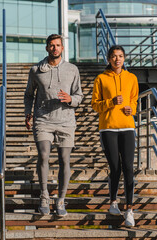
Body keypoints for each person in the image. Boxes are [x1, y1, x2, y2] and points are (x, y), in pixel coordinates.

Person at [24, 34, 83, 217]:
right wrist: (28, 112)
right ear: (47, 48)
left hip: (66, 121)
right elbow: (29, 94)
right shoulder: (36, 70)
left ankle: (61, 200)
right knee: (43, 155)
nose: (55, 48)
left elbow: (79, 96)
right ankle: (44, 195)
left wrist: (71, 99)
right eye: (51, 45)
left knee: (65, 159)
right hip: (43, 120)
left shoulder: (72, 69)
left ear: (62, 48)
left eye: (58, 45)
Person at [91, 45, 138, 227]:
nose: (117, 59)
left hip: (127, 127)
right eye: (113, 56)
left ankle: (129, 210)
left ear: (124, 58)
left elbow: (134, 99)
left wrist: (131, 109)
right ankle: (113, 203)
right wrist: (111, 102)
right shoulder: (101, 79)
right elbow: (95, 105)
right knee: (115, 167)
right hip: (108, 128)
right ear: (109, 59)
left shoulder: (131, 78)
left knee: (128, 168)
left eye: (120, 56)